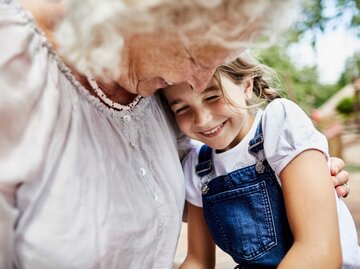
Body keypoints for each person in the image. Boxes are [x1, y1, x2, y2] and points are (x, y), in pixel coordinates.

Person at [0, 0, 351, 268]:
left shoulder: (159, 87)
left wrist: (300, 182)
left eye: (215, 70)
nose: (195, 84)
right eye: (196, 56)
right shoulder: (16, 67)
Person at [162, 53, 360, 269]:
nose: (202, 119)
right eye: (181, 108)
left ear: (246, 86)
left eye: (212, 97)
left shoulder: (279, 123)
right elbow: (198, 261)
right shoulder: (198, 167)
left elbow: (319, 252)